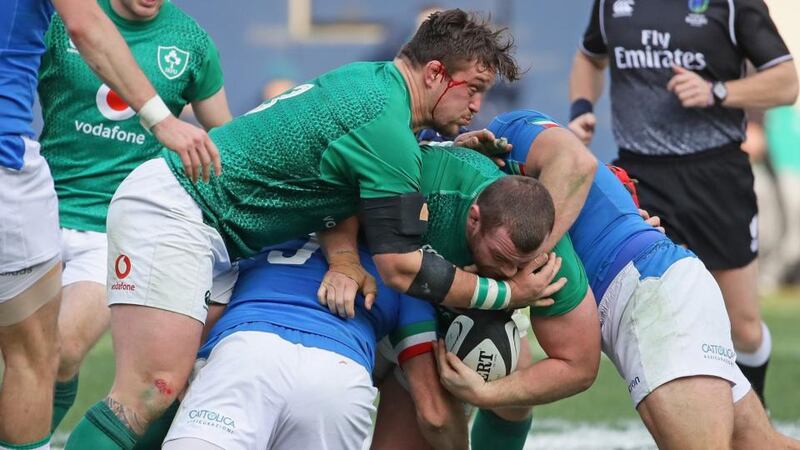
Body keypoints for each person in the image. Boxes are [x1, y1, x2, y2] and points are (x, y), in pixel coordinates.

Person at [64, 9, 563, 450]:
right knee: (151, 390)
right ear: (435, 73)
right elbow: (400, 267)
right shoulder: (386, 127)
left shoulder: (373, 86)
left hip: (217, 231)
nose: (478, 105)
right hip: (181, 212)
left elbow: (333, 184)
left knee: (181, 389)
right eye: (472, 89)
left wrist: (348, 255)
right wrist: (505, 293)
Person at [433, 109, 800, 450]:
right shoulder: (467, 196)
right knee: (758, 444)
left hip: (649, 290)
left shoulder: (509, 134)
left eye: (478, 87)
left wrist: (487, 392)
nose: (473, 102)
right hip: (658, 289)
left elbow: (578, 162)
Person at [0, 1, 220, 449]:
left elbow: (225, 135)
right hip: (37, 205)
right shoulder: (66, 21)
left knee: (56, 351)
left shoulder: (192, 42)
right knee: (33, 355)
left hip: (112, 230)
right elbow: (78, 31)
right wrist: (162, 121)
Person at [568, 0, 799, 403]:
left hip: (715, 176)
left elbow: (786, 82)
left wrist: (718, 90)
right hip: (639, 176)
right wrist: (582, 109)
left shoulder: (733, 4)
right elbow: (589, 58)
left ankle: (750, 419)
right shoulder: (611, 4)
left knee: (742, 327)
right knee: (634, 311)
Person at [369, 144, 601, 450]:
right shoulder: (430, 186)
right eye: (500, 256)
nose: (508, 270)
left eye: (518, 263)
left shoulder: (549, 264)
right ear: (474, 219)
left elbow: (580, 367)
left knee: (506, 383)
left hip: (433, 317)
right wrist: (342, 259)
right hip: (378, 291)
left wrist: (484, 394)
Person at [157, 236, 463, 450]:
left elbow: (206, 310)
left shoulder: (269, 230)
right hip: (339, 380)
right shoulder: (404, 276)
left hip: (248, 355)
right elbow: (434, 415)